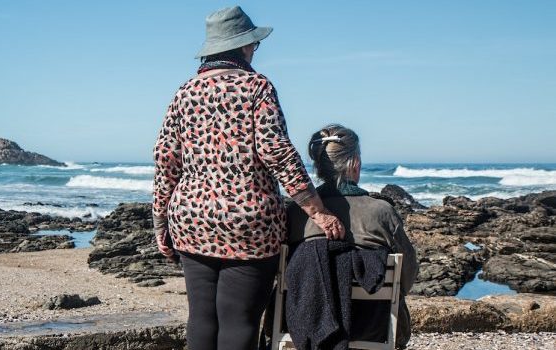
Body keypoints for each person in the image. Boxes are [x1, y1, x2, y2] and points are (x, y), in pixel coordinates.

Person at [153, 6, 345, 350]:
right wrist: (317, 211)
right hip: (250, 223)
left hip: (192, 220)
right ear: (243, 46)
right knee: (239, 319)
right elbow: (277, 151)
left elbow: (166, 161)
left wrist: (159, 223)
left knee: (201, 317)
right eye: (254, 45)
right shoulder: (256, 87)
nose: (255, 51)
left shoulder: (184, 93)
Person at [285, 124, 418, 348]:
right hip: (373, 325)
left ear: (318, 166)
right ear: (355, 163)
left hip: (300, 324)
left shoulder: (295, 214)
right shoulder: (381, 211)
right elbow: (407, 275)